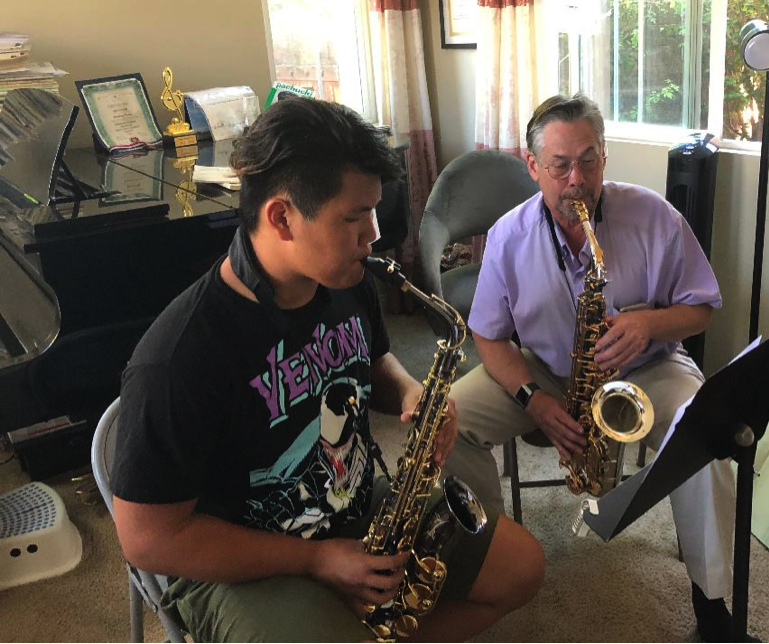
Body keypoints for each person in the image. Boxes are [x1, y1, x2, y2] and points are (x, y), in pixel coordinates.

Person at [110, 98, 544, 643]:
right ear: (281, 217)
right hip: (238, 563)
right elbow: (148, 540)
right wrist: (316, 560)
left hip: (351, 504)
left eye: (374, 211)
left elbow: (374, 361)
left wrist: (410, 393)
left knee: (522, 569)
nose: (374, 234)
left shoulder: (344, 277)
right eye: (354, 217)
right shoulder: (179, 356)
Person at [442, 93, 747, 643]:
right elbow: (488, 334)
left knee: (707, 431)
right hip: (544, 368)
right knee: (449, 418)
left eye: (588, 161)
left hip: (647, 368)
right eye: (559, 165)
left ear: (605, 157)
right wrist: (533, 398)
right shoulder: (508, 236)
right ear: (533, 166)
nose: (576, 180)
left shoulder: (654, 216)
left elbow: (701, 308)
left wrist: (649, 324)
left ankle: (711, 600)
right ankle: (486, 553)